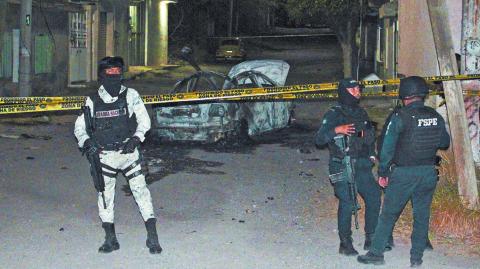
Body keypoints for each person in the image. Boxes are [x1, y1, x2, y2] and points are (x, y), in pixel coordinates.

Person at [357, 76, 450, 267]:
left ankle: (376, 254)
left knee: (388, 214)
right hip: (428, 172)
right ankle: (416, 258)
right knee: (422, 215)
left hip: (404, 174)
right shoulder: (435, 116)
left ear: (404, 96)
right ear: (423, 95)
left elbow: (387, 148)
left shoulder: (400, 117)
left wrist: (383, 172)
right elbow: (444, 143)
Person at [74, 56, 162, 254]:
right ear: (101, 76)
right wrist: (87, 143)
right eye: (109, 73)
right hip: (105, 155)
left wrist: (136, 139)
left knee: (141, 192)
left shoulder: (131, 95)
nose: (114, 77)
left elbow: (144, 121)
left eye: (117, 73)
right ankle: (110, 238)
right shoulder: (92, 99)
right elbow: (79, 128)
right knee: (105, 196)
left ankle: (152, 237)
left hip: (128, 151)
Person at [315, 78, 381, 256]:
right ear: (345, 92)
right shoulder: (333, 114)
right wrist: (337, 130)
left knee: (374, 195)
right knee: (347, 201)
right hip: (342, 164)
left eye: (359, 88)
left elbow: (366, 135)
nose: (358, 91)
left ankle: (371, 237)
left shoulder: (361, 112)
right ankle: (345, 242)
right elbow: (319, 139)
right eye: (354, 89)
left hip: (361, 163)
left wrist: (371, 154)